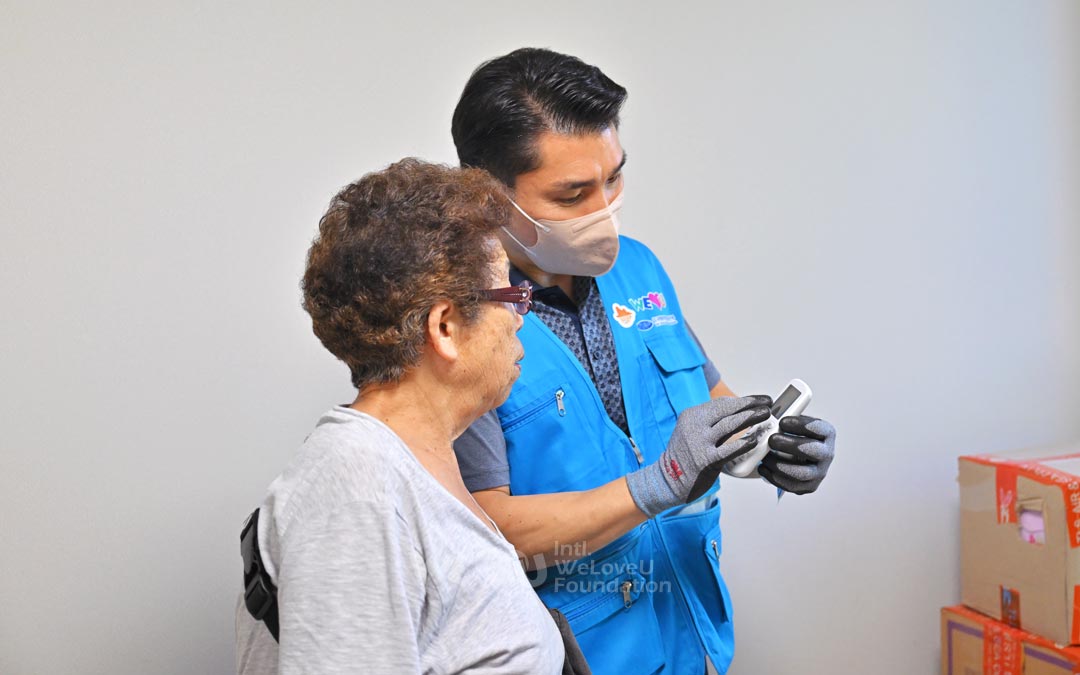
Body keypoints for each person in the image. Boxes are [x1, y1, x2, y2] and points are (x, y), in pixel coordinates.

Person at [450, 48, 838, 675]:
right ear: (490, 197)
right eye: (573, 193)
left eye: (613, 178)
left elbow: (710, 402)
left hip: (695, 634)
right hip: (584, 651)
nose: (603, 209)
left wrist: (770, 447)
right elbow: (488, 528)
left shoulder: (638, 269)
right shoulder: (462, 323)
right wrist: (658, 484)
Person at [234, 159, 578, 674]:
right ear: (445, 327)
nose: (520, 318)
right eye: (511, 296)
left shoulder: (416, 464)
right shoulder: (356, 491)